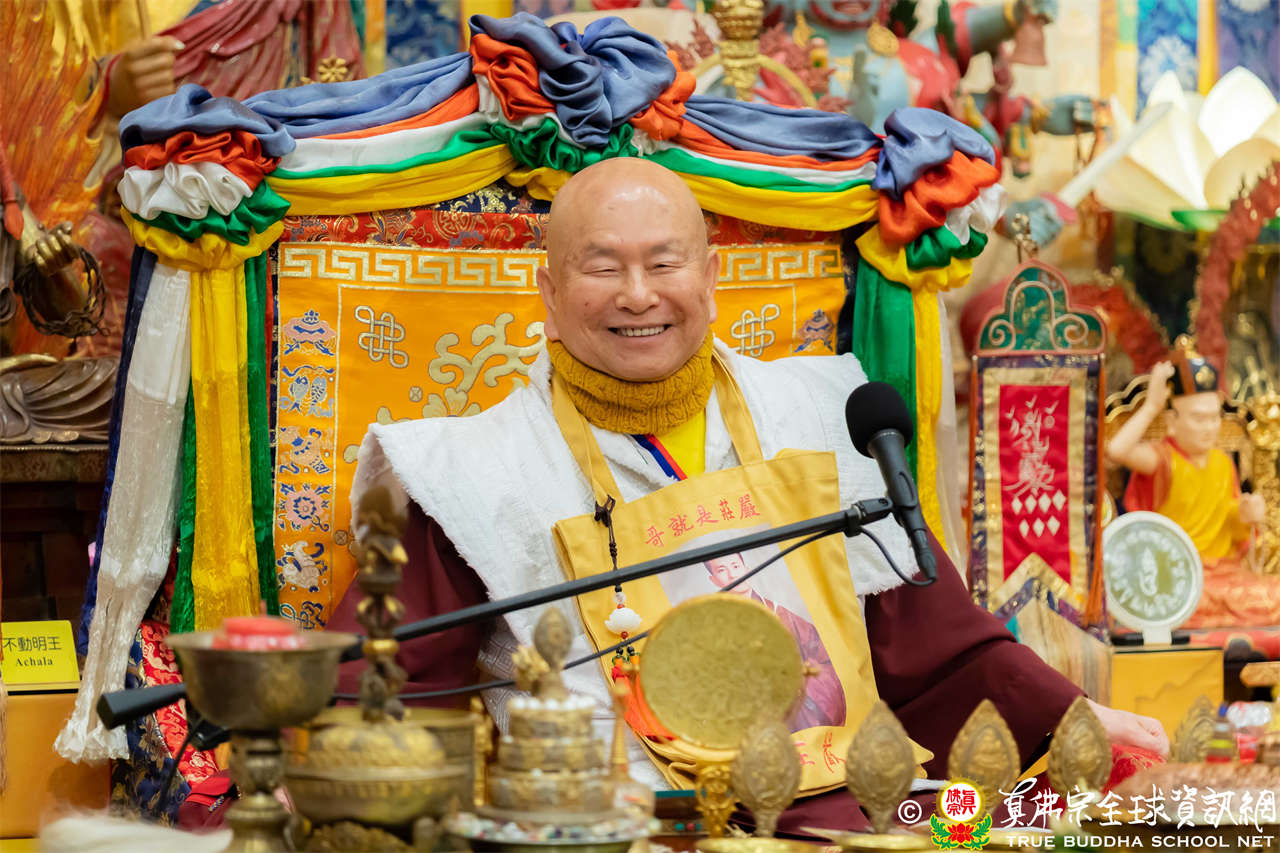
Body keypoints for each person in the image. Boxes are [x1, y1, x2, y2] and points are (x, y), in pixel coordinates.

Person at [333, 158, 1167, 830]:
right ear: (549, 296)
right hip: (621, 824)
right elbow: (385, 680)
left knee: (1098, 806)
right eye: (602, 267)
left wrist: (1065, 712)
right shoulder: (475, 469)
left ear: (710, 276)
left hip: (844, 806)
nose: (637, 293)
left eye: (664, 263)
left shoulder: (816, 410)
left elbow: (935, 643)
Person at [1107, 339, 1273, 628]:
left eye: (1214, 418)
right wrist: (1152, 406)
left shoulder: (1222, 462)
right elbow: (1117, 450)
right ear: (1172, 422)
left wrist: (1246, 516)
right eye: (1199, 419)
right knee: (1183, 601)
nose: (1209, 428)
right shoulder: (1162, 459)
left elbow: (1232, 528)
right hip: (1176, 577)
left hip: (1225, 575)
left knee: (1271, 594)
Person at [704, 552, 847, 729]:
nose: (733, 575)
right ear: (714, 580)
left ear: (746, 569)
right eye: (722, 570)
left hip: (799, 706)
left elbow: (825, 657)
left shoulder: (780, 613)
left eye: (735, 566)